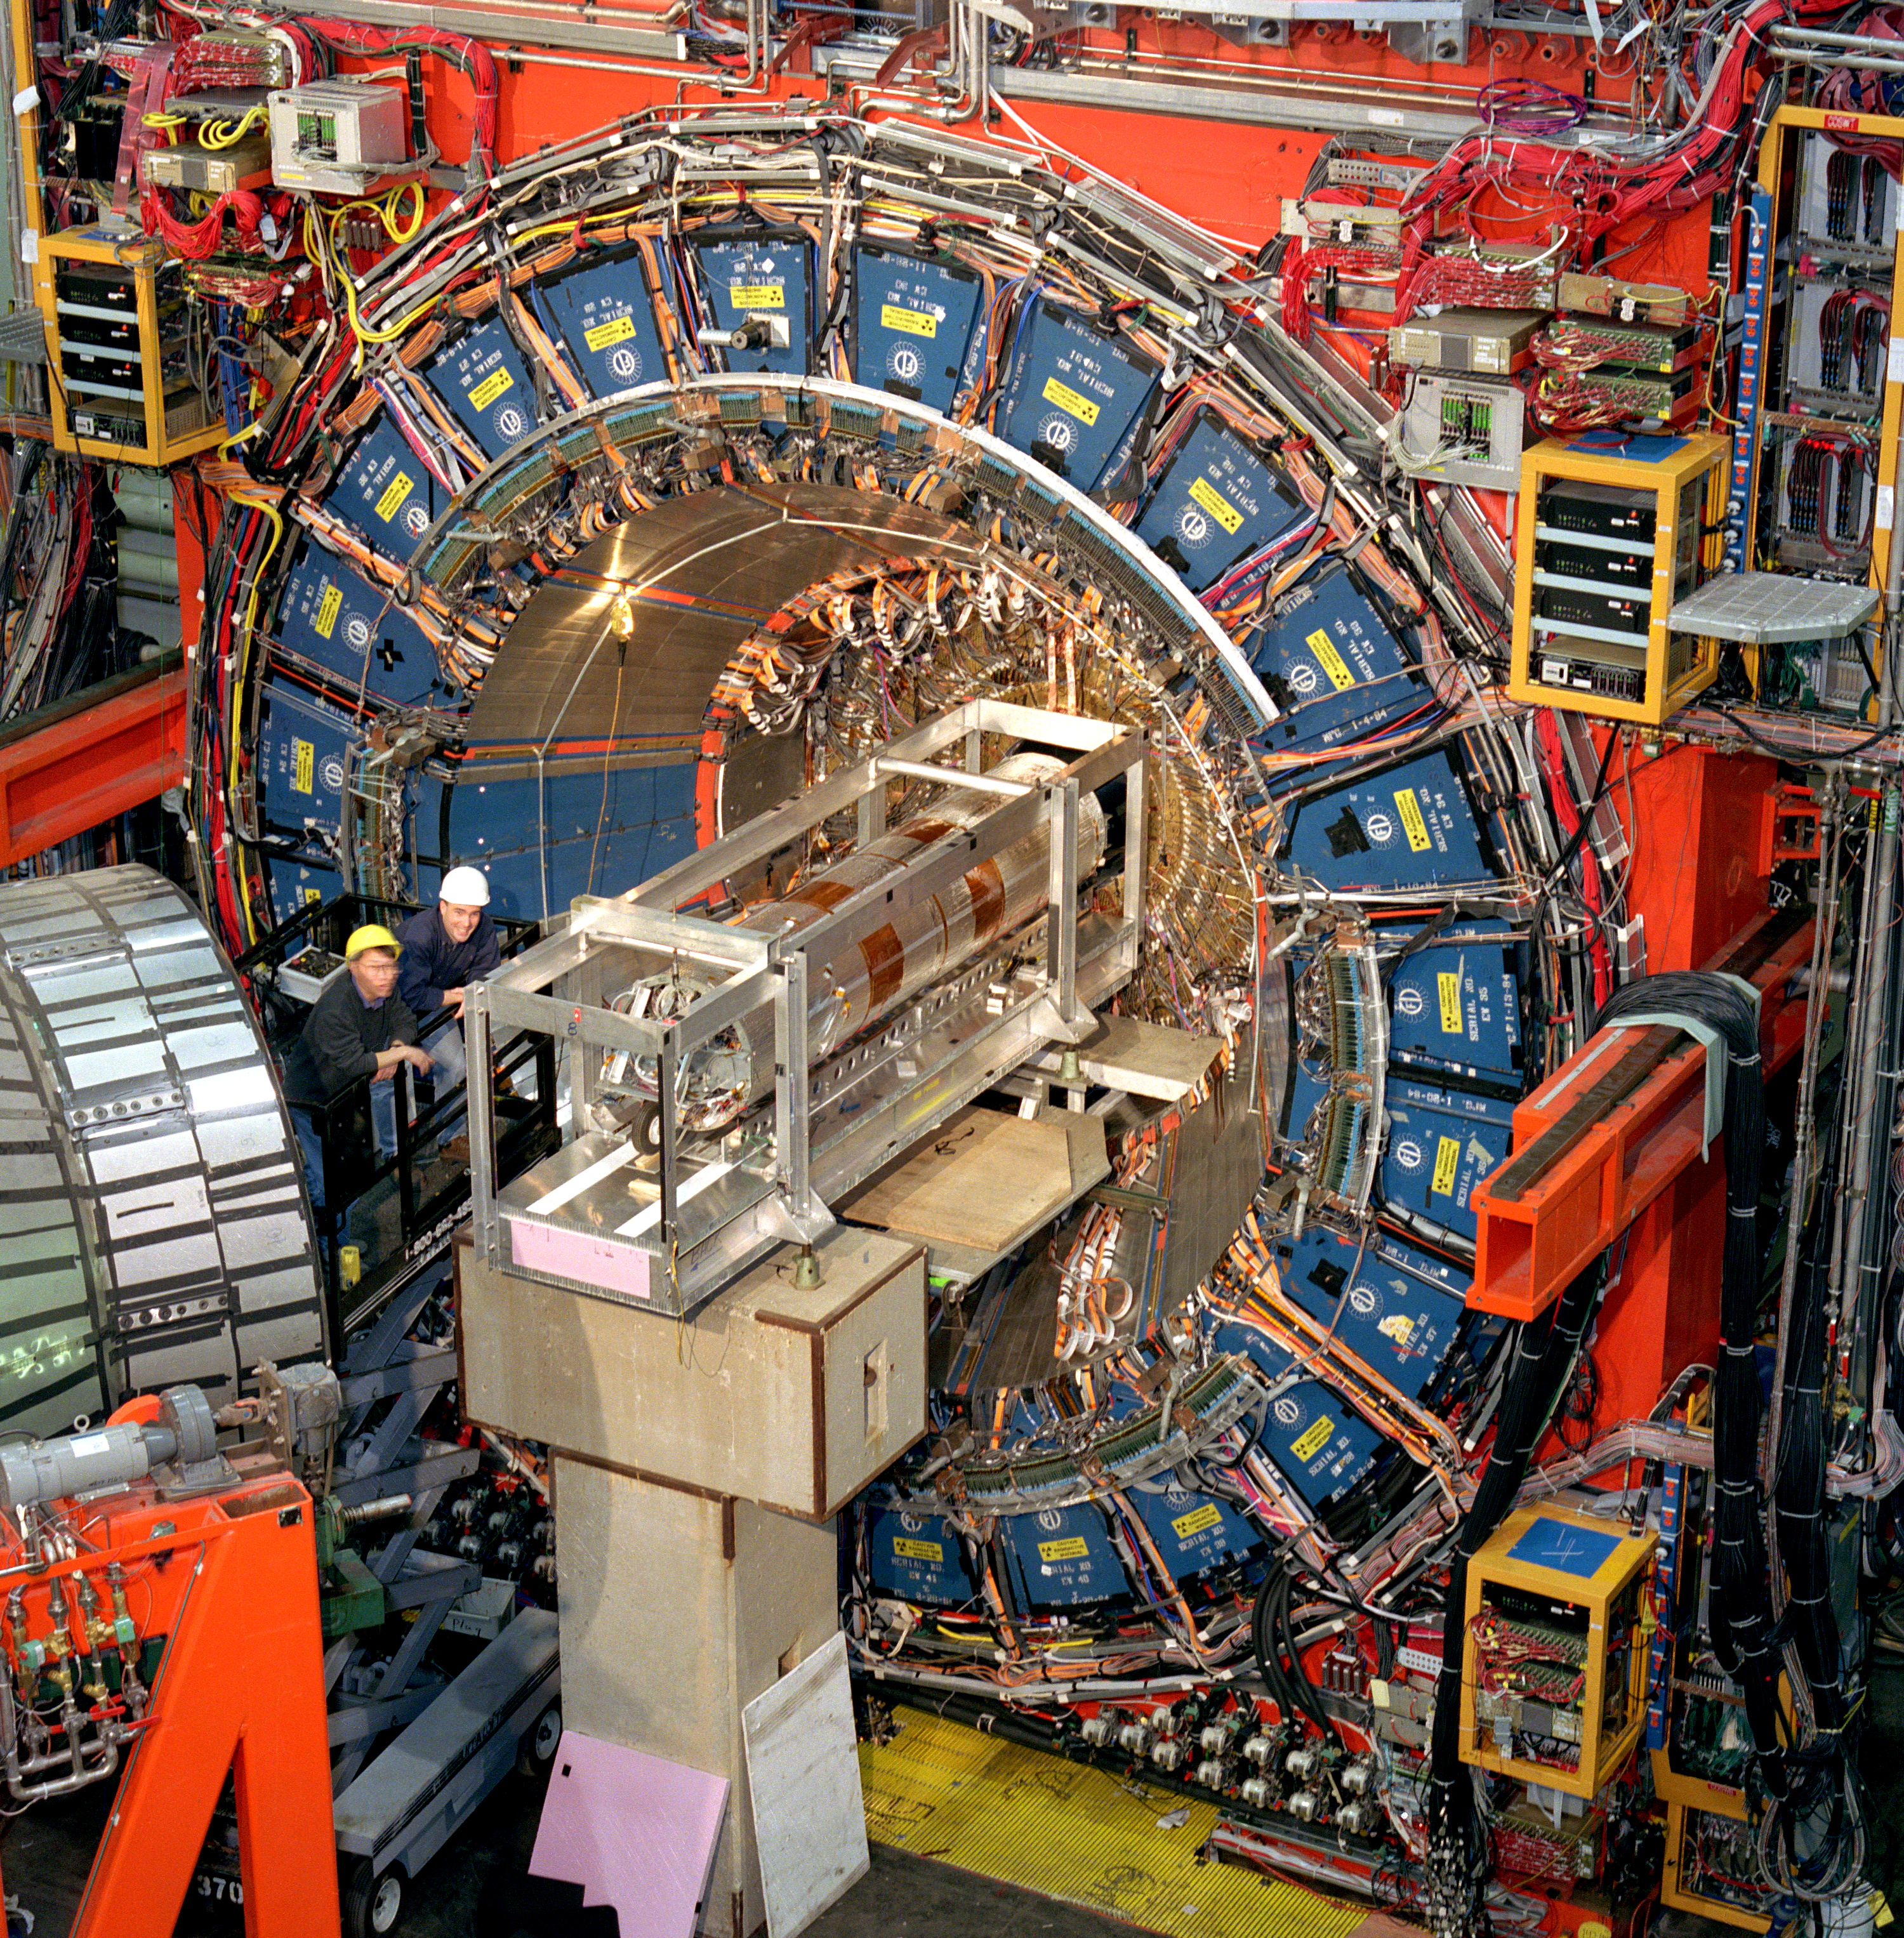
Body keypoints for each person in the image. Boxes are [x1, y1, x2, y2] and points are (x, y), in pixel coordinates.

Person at [281, 925, 433, 1216]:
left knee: (343, 1179)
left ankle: (334, 1239)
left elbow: (404, 1018)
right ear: (353, 967)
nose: (386, 976)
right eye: (376, 968)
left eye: (390, 967)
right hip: (314, 1102)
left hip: (346, 1095)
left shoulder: (383, 989)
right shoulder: (336, 1009)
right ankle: (331, 1251)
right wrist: (400, 1054)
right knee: (334, 1182)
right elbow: (355, 1063)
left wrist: (396, 1046)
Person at [395, 865, 502, 1159]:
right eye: (459, 912)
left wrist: (472, 993)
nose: (467, 923)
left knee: (458, 1064)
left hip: (434, 1004)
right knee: (385, 1086)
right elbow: (411, 994)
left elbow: (485, 970)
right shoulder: (419, 937)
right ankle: (394, 1157)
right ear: (442, 907)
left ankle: (450, 1140)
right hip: (396, 1012)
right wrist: (453, 996)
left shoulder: (483, 927)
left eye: (474, 913)